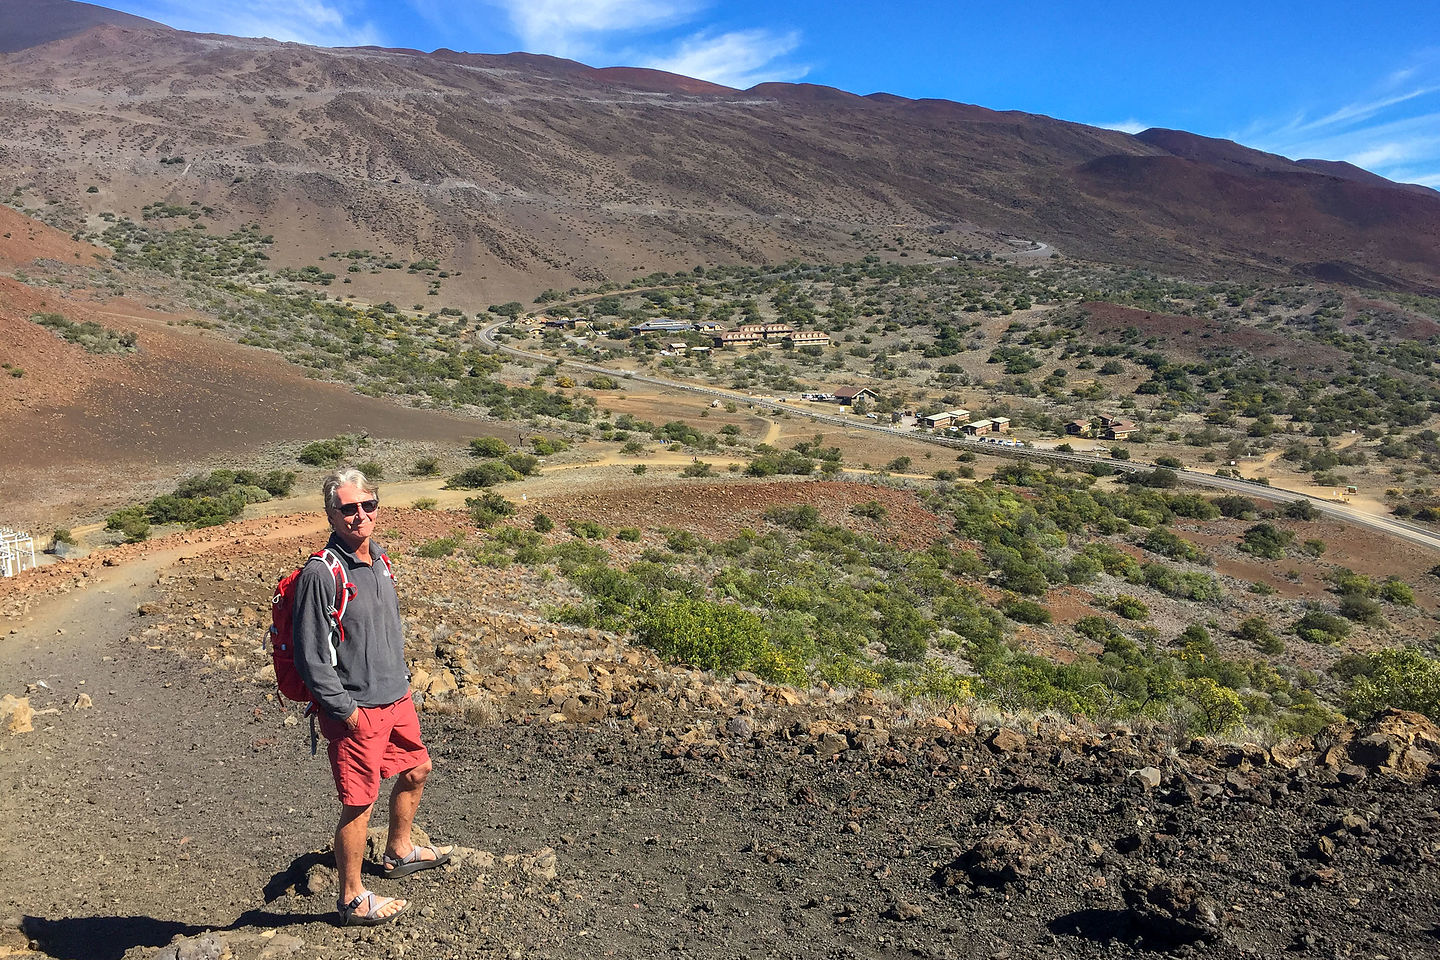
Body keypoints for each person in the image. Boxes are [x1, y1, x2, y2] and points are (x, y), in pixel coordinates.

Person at [294, 466, 451, 926]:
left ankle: (399, 851)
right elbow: (310, 657)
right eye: (348, 508)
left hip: (395, 697)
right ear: (331, 513)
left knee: (417, 769)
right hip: (357, 709)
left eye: (367, 505)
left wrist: (401, 685)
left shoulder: (379, 559)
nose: (359, 515)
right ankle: (351, 898)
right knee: (359, 801)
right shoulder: (321, 573)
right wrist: (346, 712)